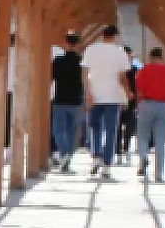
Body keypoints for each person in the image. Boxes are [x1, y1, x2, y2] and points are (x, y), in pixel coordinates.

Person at [80, 24, 130, 179]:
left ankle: (95, 157)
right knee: (111, 131)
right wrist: (127, 93)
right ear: (115, 36)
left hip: (94, 94)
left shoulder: (91, 49)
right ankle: (107, 166)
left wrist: (87, 92)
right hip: (113, 97)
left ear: (102, 35)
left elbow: (85, 72)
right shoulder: (120, 52)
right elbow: (122, 77)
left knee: (95, 128)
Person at [134, 46, 165, 182]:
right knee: (160, 140)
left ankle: (143, 157)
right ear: (162, 57)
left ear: (150, 57)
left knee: (142, 135)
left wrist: (138, 105)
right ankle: (159, 174)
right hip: (163, 105)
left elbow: (139, 89)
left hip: (146, 104)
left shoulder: (144, 70)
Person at [50, 32, 86, 171]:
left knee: (58, 130)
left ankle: (64, 154)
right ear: (77, 45)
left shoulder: (58, 61)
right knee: (72, 131)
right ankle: (67, 157)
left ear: (66, 44)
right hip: (76, 100)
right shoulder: (82, 61)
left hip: (60, 99)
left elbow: (51, 78)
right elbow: (84, 80)